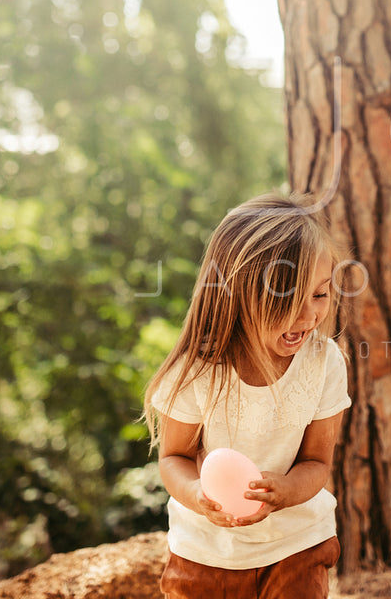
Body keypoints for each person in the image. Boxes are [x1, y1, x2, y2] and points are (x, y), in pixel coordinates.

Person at [143, 193, 351, 599]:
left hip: (297, 546)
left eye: (320, 294)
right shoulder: (199, 370)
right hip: (206, 555)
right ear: (237, 292)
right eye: (288, 299)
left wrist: (288, 490)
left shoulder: (324, 362)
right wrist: (196, 495)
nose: (308, 317)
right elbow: (174, 458)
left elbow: (316, 461)